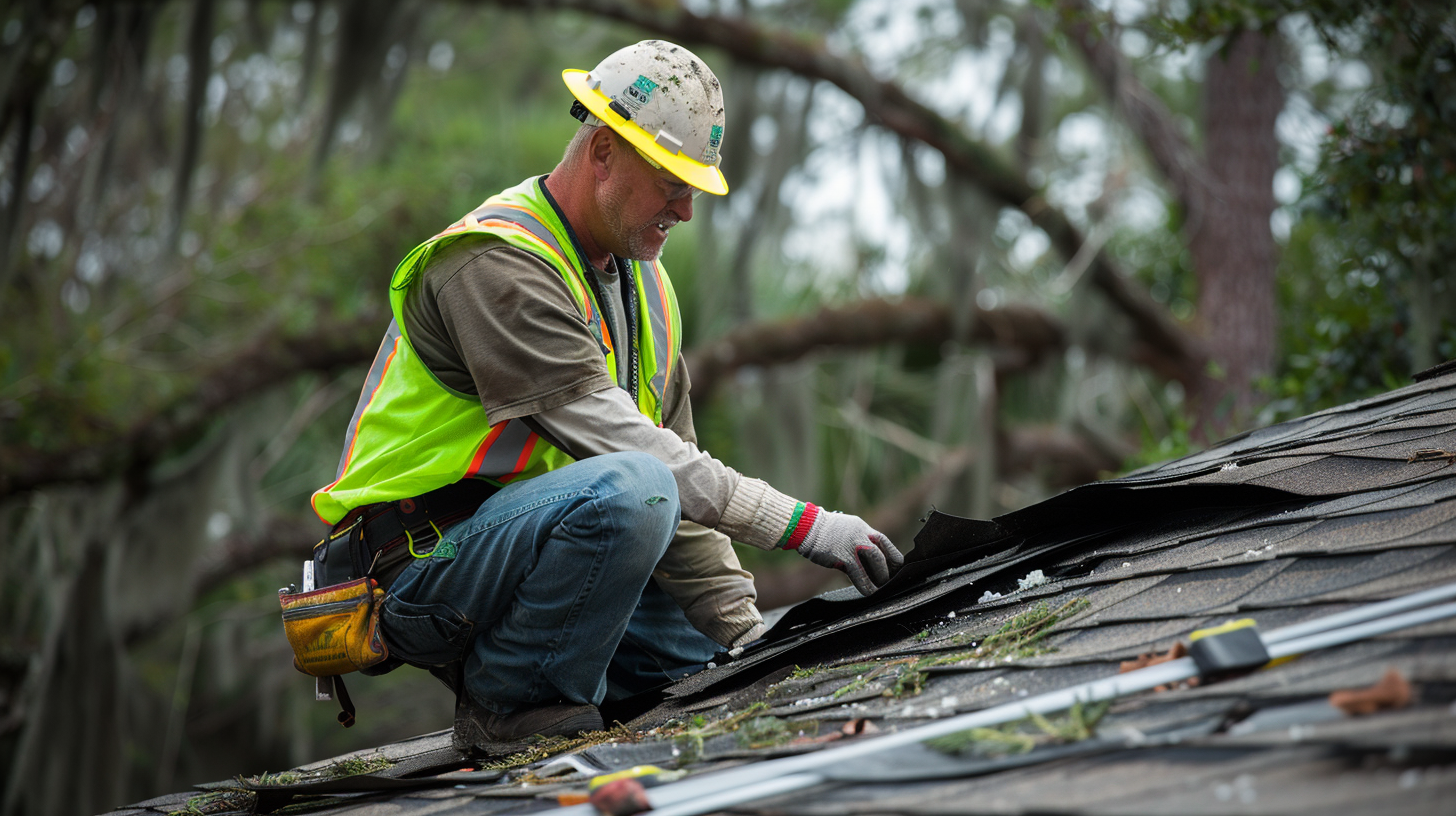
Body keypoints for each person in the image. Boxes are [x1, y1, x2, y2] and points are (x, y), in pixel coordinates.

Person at [309, 40, 903, 749]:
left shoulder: (647, 288)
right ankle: (511, 706)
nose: (684, 209)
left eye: (694, 186)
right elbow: (639, 465)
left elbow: (682, 488)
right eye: (670, 182)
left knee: (715, 671)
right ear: (601, 153)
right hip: (418, 568)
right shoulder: (494, 262)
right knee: (634, 489)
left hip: (542, 550)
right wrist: (809, 526)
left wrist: (747, 637)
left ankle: (596, 681)